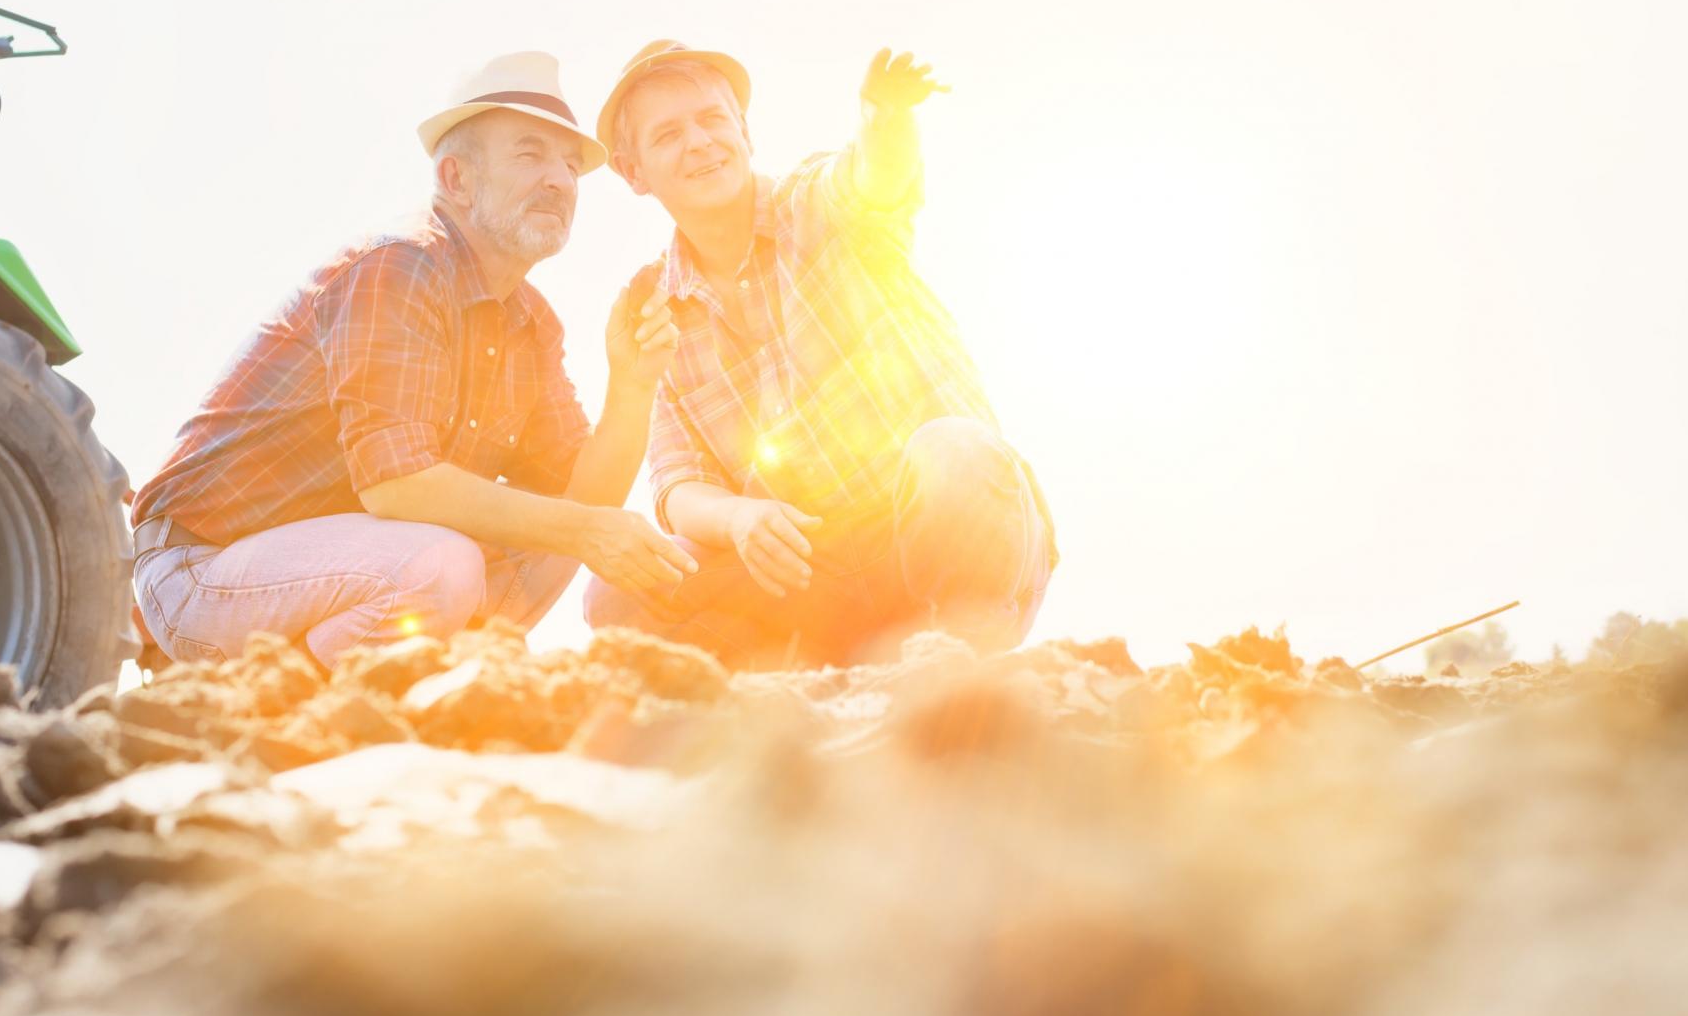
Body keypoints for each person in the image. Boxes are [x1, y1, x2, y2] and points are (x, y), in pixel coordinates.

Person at [128, 51, 694, 670]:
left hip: (344, 573)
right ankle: (290, 707)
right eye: (530, 154)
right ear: (455, 179)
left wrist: (632, 388)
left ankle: (407, 684)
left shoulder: (530, 321)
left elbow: (586, 502)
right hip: (202, 568)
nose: (560, 180)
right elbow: (395, 483)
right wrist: (583, 529)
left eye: (569, 164)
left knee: (559, 536)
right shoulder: (400, 265)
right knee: (445, 565)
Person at [582, 41, 1054, 667]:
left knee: (956, 452)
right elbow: (677, 486)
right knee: (618, 589)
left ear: (745, 131)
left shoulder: (817, 204)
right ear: (633, 171)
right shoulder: (655, 310)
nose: (699, 141)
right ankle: (795, 679)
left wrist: (884, 118)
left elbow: (872, 179)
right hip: (811, 578)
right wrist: (740, 517)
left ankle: (954, 666)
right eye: (668, 134)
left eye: (713, 120)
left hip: (940, 540)